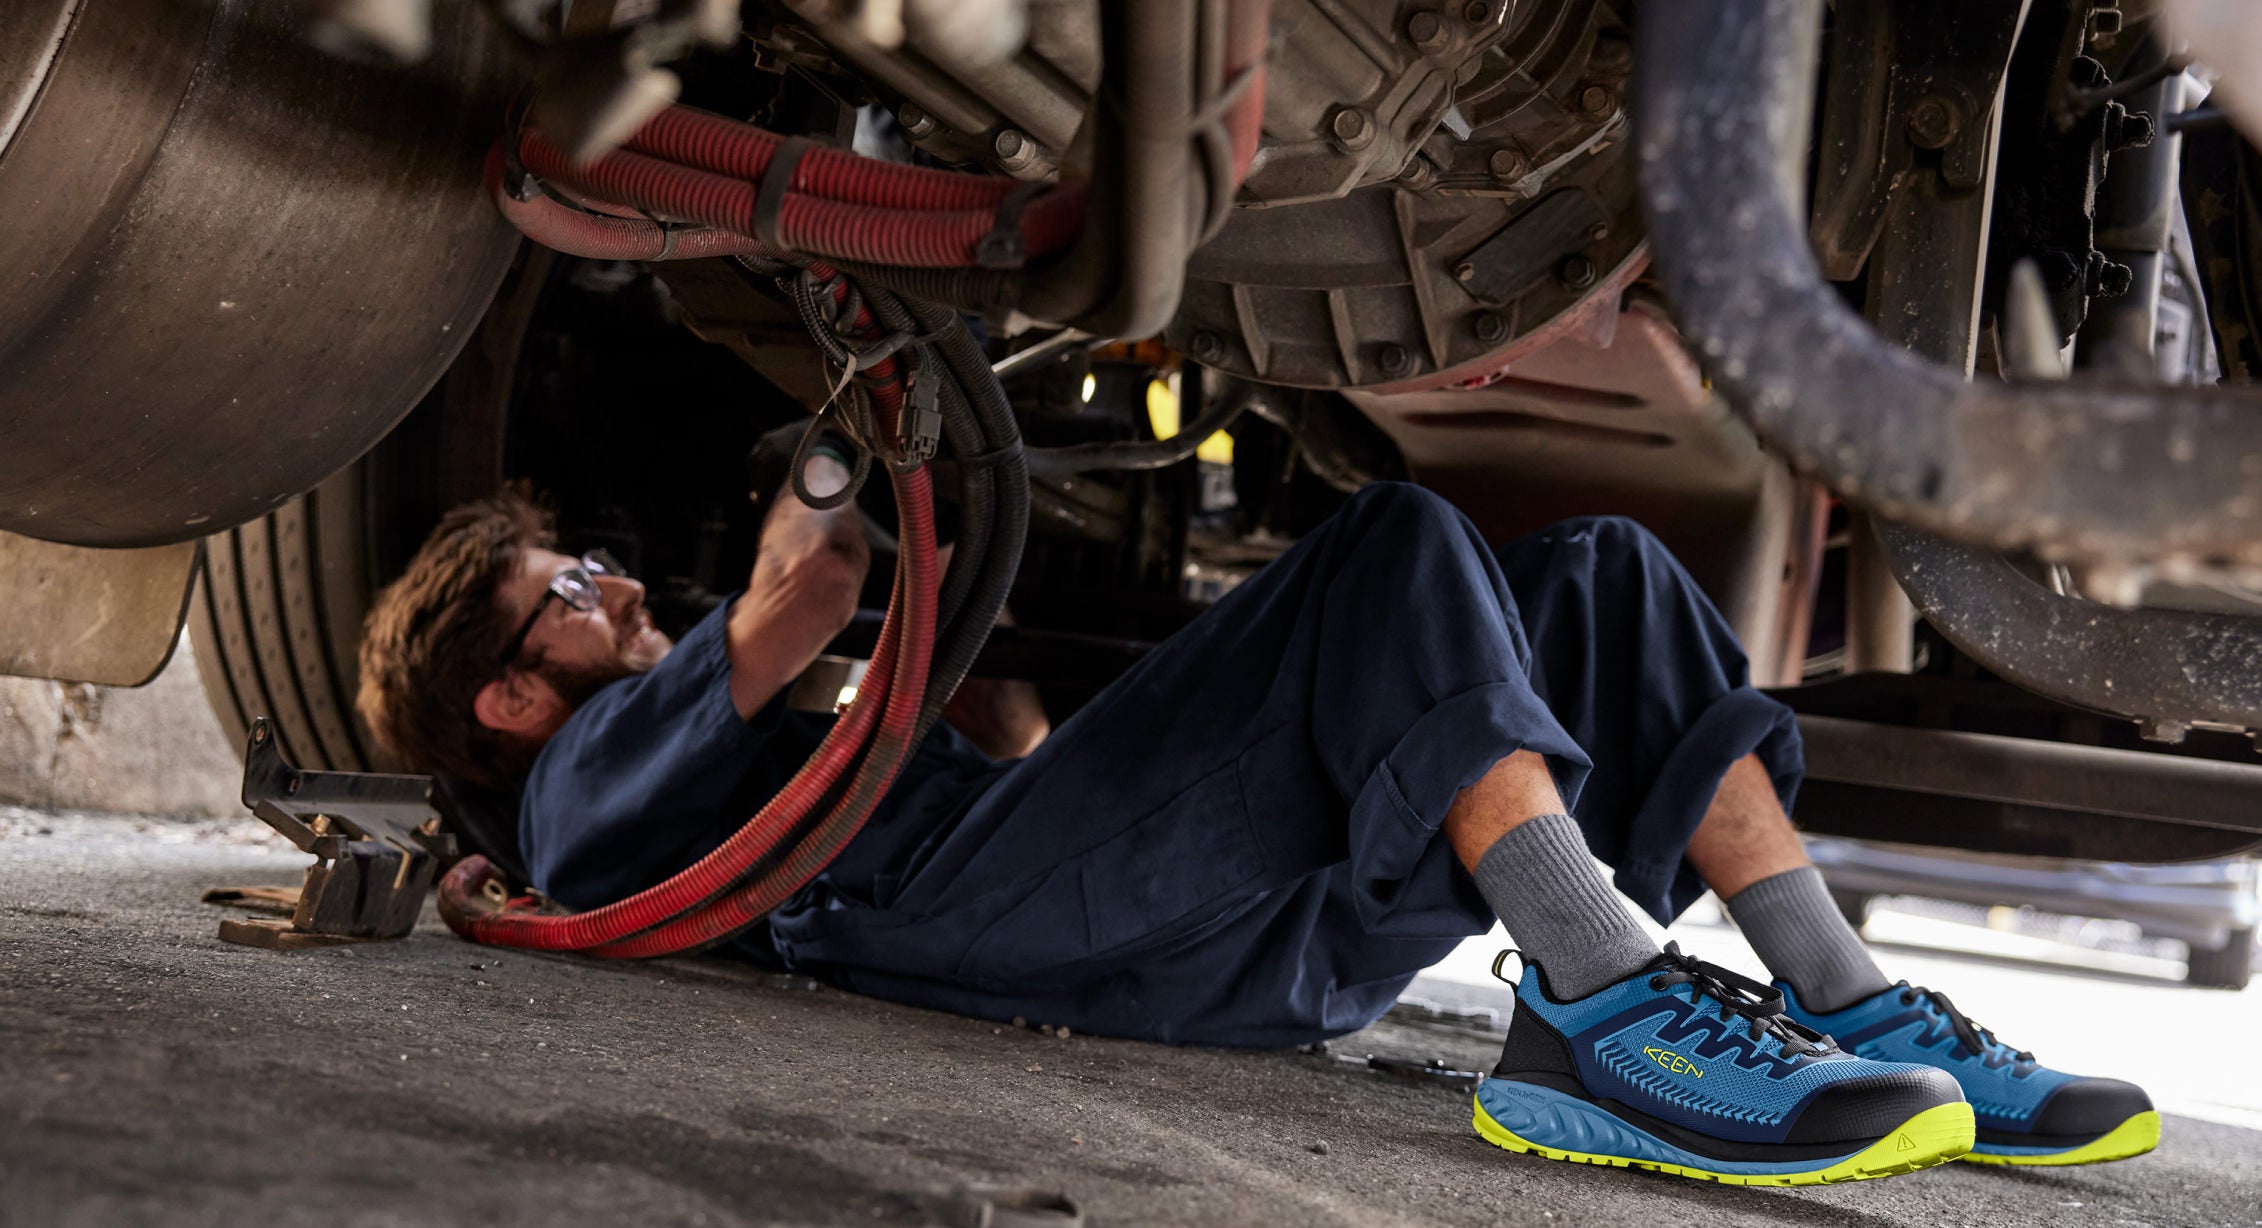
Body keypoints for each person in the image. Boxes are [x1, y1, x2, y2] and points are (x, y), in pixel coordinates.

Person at [356, 454, 2157, 1185]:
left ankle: (1839, 1004)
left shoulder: (672, 771)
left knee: (1599, 580)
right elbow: (809, 589)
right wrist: (838, 442)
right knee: (1384, 546)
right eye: (561, 587)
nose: (602, 584)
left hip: (1134, 915)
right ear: (511, 696)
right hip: (1008, 927)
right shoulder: (582, 788)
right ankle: (1609, 1011)